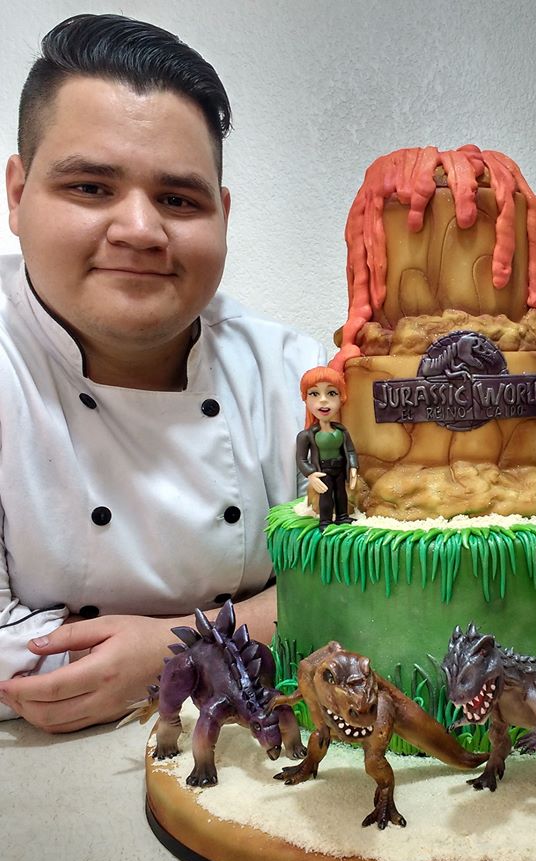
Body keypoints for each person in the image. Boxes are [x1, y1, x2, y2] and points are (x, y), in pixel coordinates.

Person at [0, 14, 325, 732]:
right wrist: (263, 623)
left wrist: (167, 652)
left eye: (179, 200)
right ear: (17, 195)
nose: (141, 231)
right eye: (90, 187)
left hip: (263, 741)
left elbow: (379, 587)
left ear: (223, 215)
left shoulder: (298, 378)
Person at [295, 366, 358, 530]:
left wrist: (353, 467)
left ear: (341, 398)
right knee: (326, 496)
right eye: (314, 394)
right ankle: (325, 521)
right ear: (305, 398)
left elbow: (350, 450)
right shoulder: (306, 435)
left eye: (331, 393)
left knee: (341, 493)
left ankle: (343, 516)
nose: (323, 400)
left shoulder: (342, 431)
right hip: (323, 470)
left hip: (340, 468)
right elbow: (301, 459)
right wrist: (311, 474)